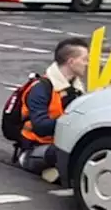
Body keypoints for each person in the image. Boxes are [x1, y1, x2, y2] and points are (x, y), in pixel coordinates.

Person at [16, 37, 88, 182]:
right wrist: (72, 121)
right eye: (85, 59)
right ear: (71, 61)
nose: (87, 64)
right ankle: (60, 171)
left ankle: (60, 172)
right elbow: (41, 127)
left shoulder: (76, 89)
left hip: (59, 144)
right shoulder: (41, 88)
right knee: (65, 153)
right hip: (35, 149)